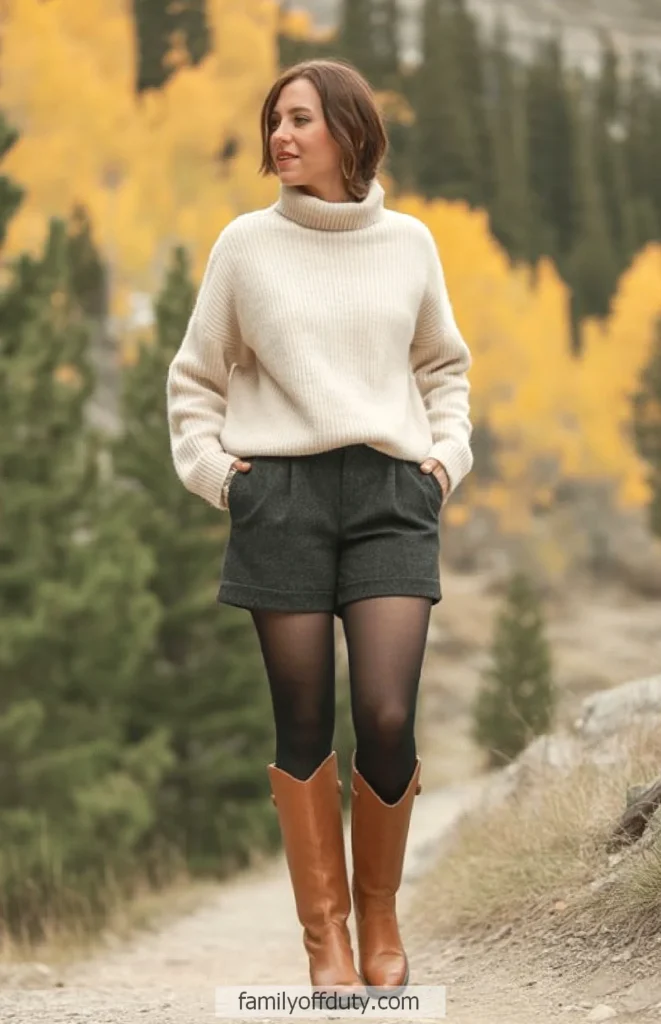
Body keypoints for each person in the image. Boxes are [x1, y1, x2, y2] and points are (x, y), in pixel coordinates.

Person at [166, 58, 473, 992]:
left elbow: (443, 369)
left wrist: (443, 460)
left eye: (299, 119)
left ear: (349, 130)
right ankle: (326, 940)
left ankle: (380, 916)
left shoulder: (410, 243)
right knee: (300, 721)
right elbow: (195, 380)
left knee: (385, 713)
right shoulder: (244, 248)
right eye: (273, 121)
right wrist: (220, 477)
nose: (280, 137)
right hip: (281, 500)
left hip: (389, 497)